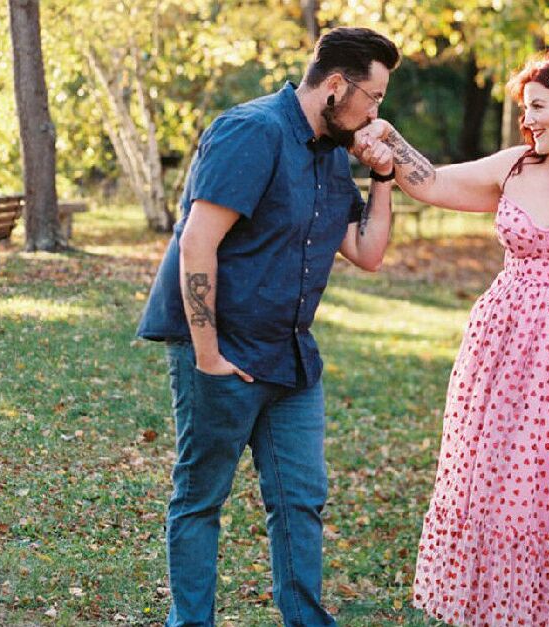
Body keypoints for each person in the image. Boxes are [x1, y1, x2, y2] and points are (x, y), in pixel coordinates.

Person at [358, 50, 549, 625]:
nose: (528, 120)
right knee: (508, 502)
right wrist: (388, 136)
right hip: (505, 366)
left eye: (539, 108)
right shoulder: (514, 169)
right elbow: (433, 183)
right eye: (525, 109)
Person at [135, 27, 400, 627]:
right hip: (223, 350)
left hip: (291, 357)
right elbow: (197, 241)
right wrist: (207, 354)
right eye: (374, 98)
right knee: (202, 499)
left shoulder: (333, 154)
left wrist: (383, 178)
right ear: (337, 86)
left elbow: (367, 251)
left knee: (300, 502)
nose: (375, 112)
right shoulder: (252, 131)